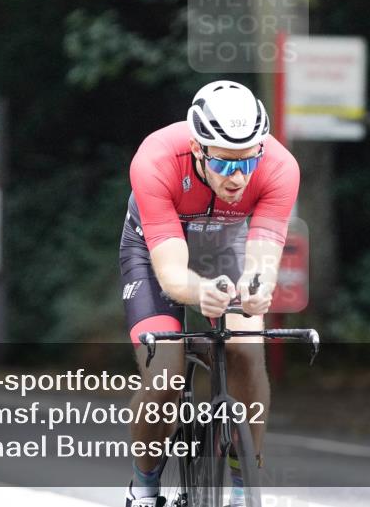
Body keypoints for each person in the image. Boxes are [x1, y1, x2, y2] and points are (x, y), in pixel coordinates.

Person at [120, 80, 300, 507]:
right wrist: (201, 291)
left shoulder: (280, 167)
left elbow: (261, 261)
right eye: (224, 164)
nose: (237, 178)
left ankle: (242, 486)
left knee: (247, 350)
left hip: (228, 246)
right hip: (157, 249)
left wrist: (257, 290)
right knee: (165, 370)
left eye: (247, 161)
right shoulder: (157, 159)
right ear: (199, 149)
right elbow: (171, 274)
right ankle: (144, 488)